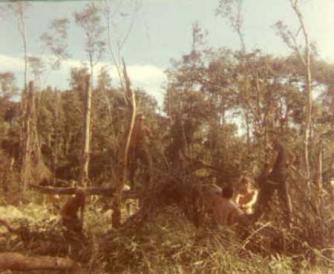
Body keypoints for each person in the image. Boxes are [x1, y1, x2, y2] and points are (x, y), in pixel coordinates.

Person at [254, 135, 294, 226]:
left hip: (276, 176)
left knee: (264, 195)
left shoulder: (278, 145)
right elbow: (293, 157)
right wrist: (287, 167)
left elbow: (273, 160)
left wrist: (265, 173)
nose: (271, 139)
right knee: (284, 198)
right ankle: (289, 221)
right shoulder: (285, 147)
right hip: (283, 176)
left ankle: (257, 217)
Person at [128, 113, 153, 189]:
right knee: (147, 165)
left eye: (142, 120)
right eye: (141, 120)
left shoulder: (133, 128)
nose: (141, 121)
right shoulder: (141, 128)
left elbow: (151, 136)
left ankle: (139, 184)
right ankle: (145, 185)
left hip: (136, 149)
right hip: (137, 149)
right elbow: (151, 136)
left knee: (135, 167)